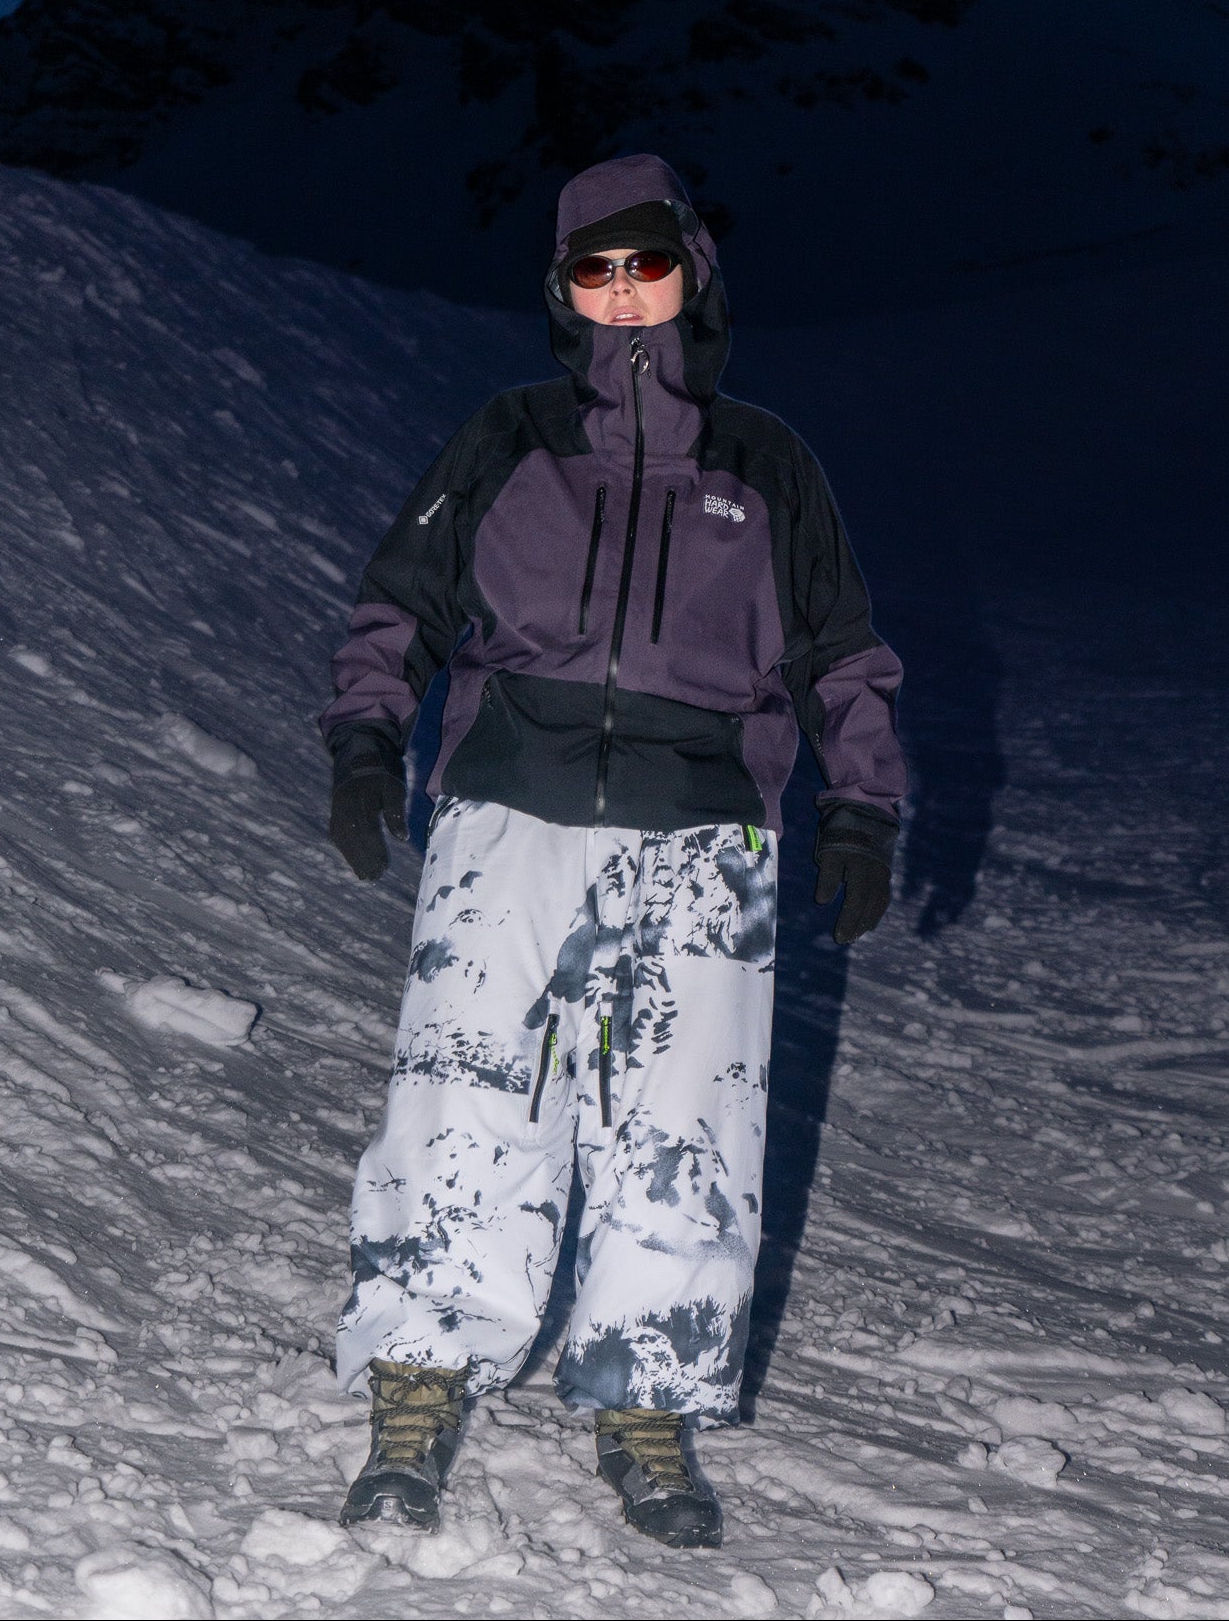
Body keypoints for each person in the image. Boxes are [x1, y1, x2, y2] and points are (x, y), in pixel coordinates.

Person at [320, 153, 906, 1546]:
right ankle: (419, 1382)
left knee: (685, 1123)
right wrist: (364, 735)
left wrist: (863, 805)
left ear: (693, 273)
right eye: (597, 268)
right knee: (465, 1097)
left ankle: (646, 1405)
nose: (626, 291)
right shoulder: (508, 437)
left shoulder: (765, 463)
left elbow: (841, 655)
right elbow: (401, 601)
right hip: (508, 814)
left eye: (649, 264)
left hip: (703, 833)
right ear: (564, 289)